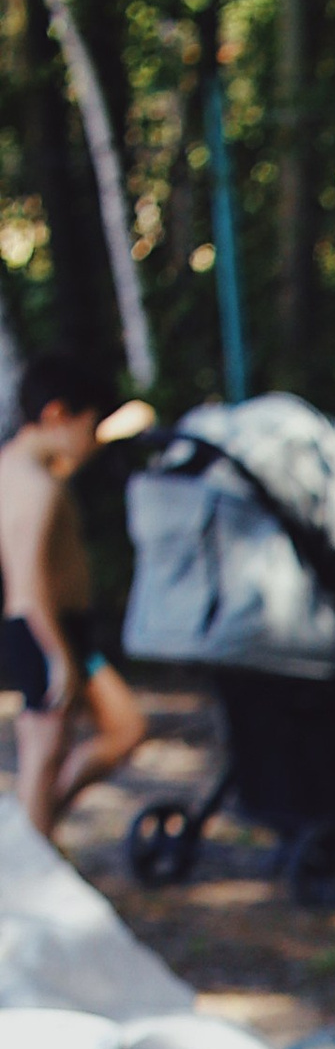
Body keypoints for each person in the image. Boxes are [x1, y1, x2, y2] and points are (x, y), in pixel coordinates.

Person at [1, 351, 148, 841]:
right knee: (43, 754)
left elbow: (73, 451)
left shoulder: (25, 468)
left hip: (63, 630)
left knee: (121, 728)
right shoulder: (34, 486)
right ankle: (26, 862)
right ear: (58, 415)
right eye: (91, 427)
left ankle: (30, 843)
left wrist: (114, 425)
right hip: (45, 630)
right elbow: (26, 586)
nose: (93, 442)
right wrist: (57, 655)